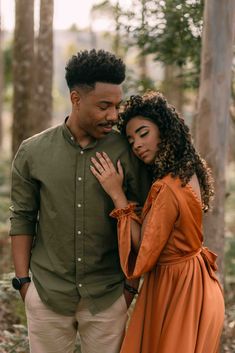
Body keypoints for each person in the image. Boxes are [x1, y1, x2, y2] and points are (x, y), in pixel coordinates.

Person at [9, 49, 150, 353]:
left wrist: (130, 287)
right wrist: (23, 284)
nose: (113, 115)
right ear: (76, 98)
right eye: (103, 106)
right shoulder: (33, 152)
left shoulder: (129, 152)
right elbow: (22, 217)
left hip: (109, 296)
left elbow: (145, 222)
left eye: (116, 106)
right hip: (47, 295)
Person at [90, 91, 225, 353]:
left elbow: (144, 251)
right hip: (199, 284)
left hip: (177, 290)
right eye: (130, 140)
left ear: (164, 131)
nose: (137, 145)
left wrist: (118, 195)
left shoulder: (166, 187)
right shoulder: (188, 171)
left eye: (143, 133)